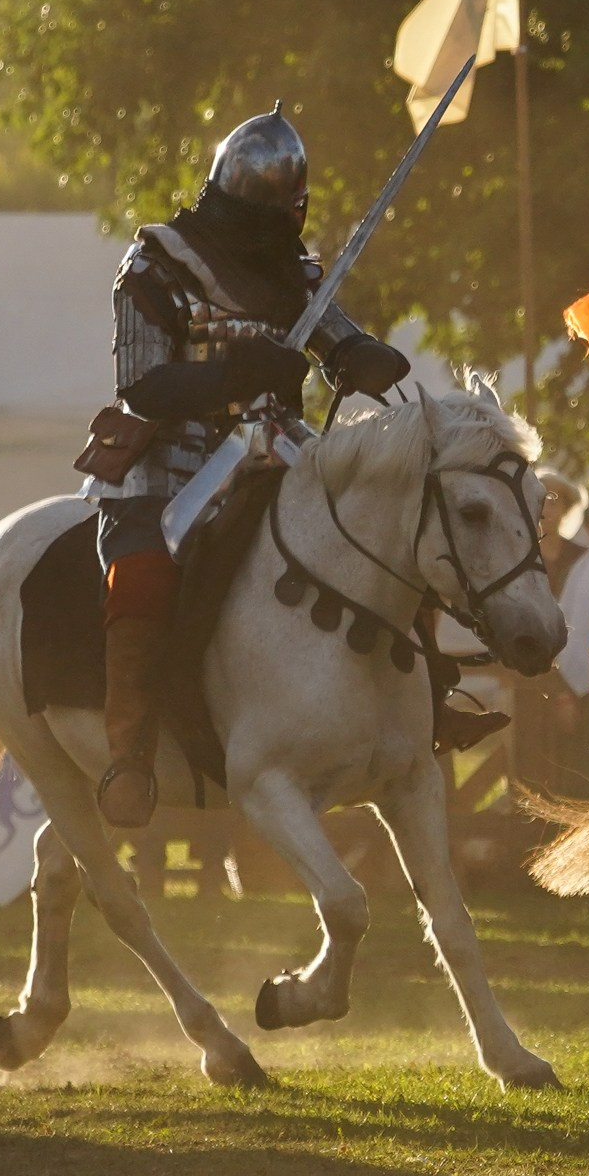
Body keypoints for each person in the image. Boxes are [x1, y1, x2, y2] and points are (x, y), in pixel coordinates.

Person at [87, 104, 412, 828]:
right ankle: (130, 756)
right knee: (140, 575)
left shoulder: (288, 270)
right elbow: (143, 384)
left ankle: (418, 704)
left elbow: (330, 330)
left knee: (376, 532)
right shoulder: (155, 264)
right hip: (170, 464)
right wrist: (239, 372)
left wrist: (359, 355)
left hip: (278, 450)